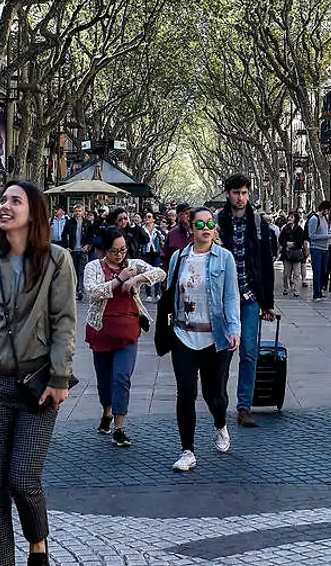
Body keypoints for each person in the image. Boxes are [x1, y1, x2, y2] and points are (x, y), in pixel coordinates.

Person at [0, 181, 76, 566]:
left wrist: (60, 378)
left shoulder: (57, 260)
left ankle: (37, 541)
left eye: (15, 201)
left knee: (23, 479)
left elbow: (64, 324)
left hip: (38, 386)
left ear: (33, 211)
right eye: (3, 201)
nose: (4, 206)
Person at [163, 205, 240, 472]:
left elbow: (231, 296)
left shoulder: (225, 258)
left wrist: (234, 329)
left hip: (216, 337)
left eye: (210, 224)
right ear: (191, 227)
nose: (205, 229)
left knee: (214, 394)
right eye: (200, 224)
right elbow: (171, 293)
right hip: (183, 335)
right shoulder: (179, 258)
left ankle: (220, 423)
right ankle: (187, 450)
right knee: (185, 392)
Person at [85, 227, 164, 447]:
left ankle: (119, 427)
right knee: (104, 381)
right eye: (114, 251)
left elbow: (160, 273)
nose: (120, 255)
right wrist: (118, 280)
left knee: (122, 378)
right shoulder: (94, 267)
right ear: (105, 250)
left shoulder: (133, 264)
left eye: (123, 250)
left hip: (128, 330)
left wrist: (137, 279)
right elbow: (92, 292)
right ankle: (107, 411)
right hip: (101, 330)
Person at [216, 174, 277, 428]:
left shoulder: (258, 223)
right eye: (235, 193)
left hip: (251, 297)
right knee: (223, 353)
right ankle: (219, 403)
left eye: (244, 192)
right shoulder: (217, 222)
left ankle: (244, 407)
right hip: (224, 298)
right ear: (227, 194)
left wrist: (268, 302)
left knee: (249, 352)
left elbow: (266, 263)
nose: (240, 198)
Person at [306, 201, 331, 301]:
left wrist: (330, 233)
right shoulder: (314, 219)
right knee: (317, 271)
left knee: (324, 271)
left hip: (325, 248)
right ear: (323, 209)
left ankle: (320, 291)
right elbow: (312, 235)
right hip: (316, 248)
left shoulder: (325, 218)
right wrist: (327, 236)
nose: (328, 212)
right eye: (327, 210)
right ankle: (316, 294)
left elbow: (323, 231)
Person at [61, 204, 90, 300]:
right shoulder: (69, 222)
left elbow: (91, 237)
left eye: (80, 211)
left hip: (83, 251)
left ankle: (80, 290)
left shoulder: (87, 223)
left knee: (82, 271)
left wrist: (87, 246)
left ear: (83, 212)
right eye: (76, 211)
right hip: (73, 251)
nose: (78, 213)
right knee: (73, 271)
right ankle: (74, 290)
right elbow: (64, 235)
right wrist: (66, 247)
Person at [278, 211, 308, 297]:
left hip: (296, 253)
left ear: (295, 218)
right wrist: (286, 244)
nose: (290, 219)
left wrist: (293, 244)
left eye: (292, 217)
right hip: (287, 253)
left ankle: (296, 290)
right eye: (289, 217)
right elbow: (281, 239)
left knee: (297, 273)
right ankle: (286, 288)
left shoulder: (299, 229)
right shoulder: (285, 228)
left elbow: (301, 240)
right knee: (286, 273)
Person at [162, 203, 192, 268]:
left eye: (190, 213)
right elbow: (165, 256)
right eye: (186, 213)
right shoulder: (172, 233)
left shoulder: (198, 231)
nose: (189, 216)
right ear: (179, 215)